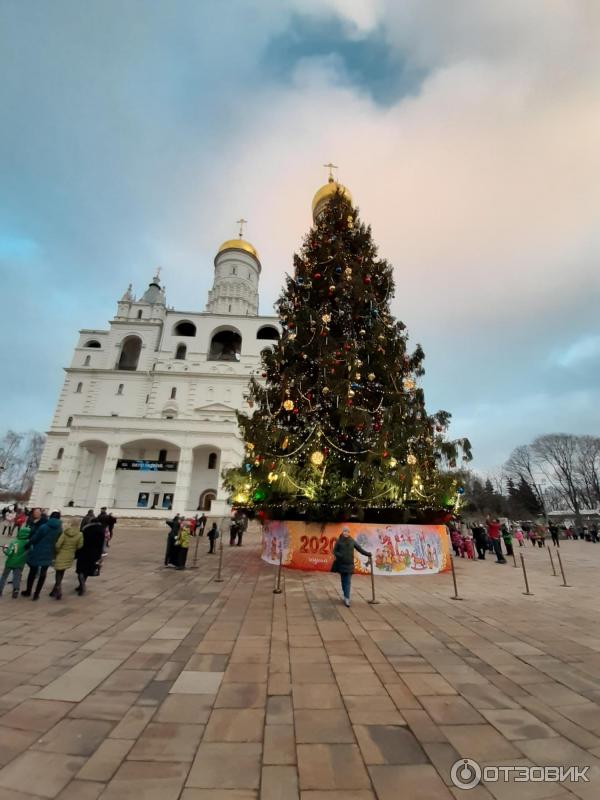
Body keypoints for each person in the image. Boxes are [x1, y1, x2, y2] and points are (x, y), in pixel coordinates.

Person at [21, 511, 63, 600]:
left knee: (33, 571)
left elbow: (35, 538)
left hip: (38, 550)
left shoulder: (44, 527)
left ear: (50, 517)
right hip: (49, 552)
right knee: (43, 573)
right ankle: (37, 594)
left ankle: (28, 591)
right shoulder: (59, 529)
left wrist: (28, 544)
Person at [331, 528, 372, 607]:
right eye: (344, 531)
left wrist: (368, 554)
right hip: (341, 564)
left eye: (347, 531)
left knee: (348, 581)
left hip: (350, 564)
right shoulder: (339, 541)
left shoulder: (352, 541)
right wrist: (340, 555)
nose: (346, 533)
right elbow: (334, 551)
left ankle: (347, 598)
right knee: (343, 581)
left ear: (349, 533)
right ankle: (345, 594)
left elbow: (360, 549)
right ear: (342, 532)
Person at [50, 521, 84, 599]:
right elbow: (80, 546)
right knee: (62, 571)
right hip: (70, 555)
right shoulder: (80, 534)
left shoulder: (65, 533)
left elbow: (58, 545)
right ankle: (55, 589)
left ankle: (58, 588)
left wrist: (58, 551)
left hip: (61, 554)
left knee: (58, 571)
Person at [76, 516, 105, 595]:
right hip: (94, 554)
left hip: (84, 552)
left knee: (80, 570)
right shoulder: (101, 531)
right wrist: (100, 555)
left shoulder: (85, 529)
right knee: (87, 569)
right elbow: (101, 544)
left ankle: (82, 585)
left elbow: (80, 541)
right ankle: (81, 585)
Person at [0, 523, 30, 597]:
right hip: (20, 563)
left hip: (10, 563)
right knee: (16, 577)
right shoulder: (28, 543)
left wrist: (4, 549)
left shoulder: (14, 542)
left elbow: (9, 553)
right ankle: (16, 590)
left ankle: (0, 590)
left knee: (4, 576)